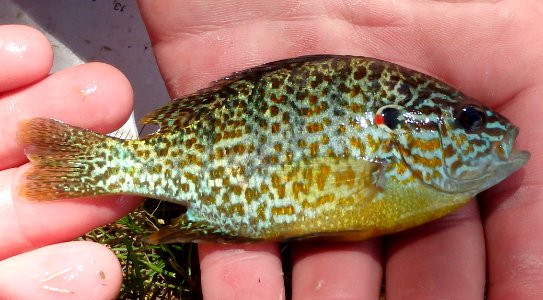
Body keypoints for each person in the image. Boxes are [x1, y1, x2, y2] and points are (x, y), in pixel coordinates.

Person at [0, 1, 542, 298]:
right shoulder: (398, 167)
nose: (490, 131)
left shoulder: (407, 172)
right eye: (468, 121)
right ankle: (88, 166)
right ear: (413, 131)